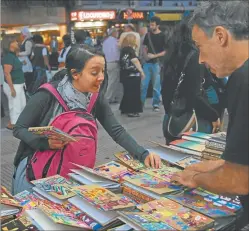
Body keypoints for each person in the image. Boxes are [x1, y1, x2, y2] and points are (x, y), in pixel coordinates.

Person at [12, 45, 161, 195]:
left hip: (74, 172)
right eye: (94, 72)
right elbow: (19, 128)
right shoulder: (47, 95)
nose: (101, 77)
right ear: (75, 74)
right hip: (38, 174)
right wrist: (44, 142)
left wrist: (143, 154)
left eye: (103, 71)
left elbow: (116, 131)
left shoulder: (95, 97)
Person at [171, 1, 249, 230]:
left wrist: (194, 179)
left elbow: (238, 180)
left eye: (200, 46)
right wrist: (215, 166)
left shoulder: (243, 79)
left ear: (220, 36)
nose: (200, 60)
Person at [161, 21, 221, 143]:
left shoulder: (171, 55)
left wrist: (172, 112)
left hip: (173, 121)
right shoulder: (194, 57)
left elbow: (165, 90)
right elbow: (194, 95)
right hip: (192, 122)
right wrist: (213, 116)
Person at [141, 16, 166, 112]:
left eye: (152, 25)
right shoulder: (148, 35)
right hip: (147, 63)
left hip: (157, 63)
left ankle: (156, 104)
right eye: (150, 25)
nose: (151, 26)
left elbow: (166, 51)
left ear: (158, 25)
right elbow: (144, 46)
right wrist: (145, 55)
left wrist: (154, 56)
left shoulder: (163, 36)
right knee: (143, 85)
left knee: (156, 86)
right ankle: (141, 104)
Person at [2, 38, 26, 130]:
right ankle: (14, 124)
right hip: (13, 85)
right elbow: (7, 73)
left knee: (21, 105)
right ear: (10, 44)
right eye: (15, 41)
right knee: (15, 106)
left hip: (18, 84)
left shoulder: (13, 55)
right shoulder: (8, 57)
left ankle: (15, 123)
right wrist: (12, 88)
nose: (17, 43)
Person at [119, 34, 144, 117]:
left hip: (125, 74)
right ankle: (132, 110)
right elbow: (135, 60)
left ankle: (125, 108)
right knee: (134, 93)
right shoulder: (130, 50)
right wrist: (141, 71)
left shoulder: (123, 50)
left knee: (127, 92)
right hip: (132, 74)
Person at [102, 28, 122, 104]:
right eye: (116, 32)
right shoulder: (116, 42)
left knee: (110, 80)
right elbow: (116, 53)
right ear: (113, 33)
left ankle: (112, 97)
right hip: (114, 63)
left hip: (107, 63)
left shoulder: (105, 41)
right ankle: (107, 98)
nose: (117, 33)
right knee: (112, 81)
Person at [18, 27, 33, 93]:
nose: (20, 35)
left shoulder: (28, 41)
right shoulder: (26, 41)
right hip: (24, 61)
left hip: (26, 62)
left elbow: (28, 52)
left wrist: (18, 54)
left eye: (21, 33)